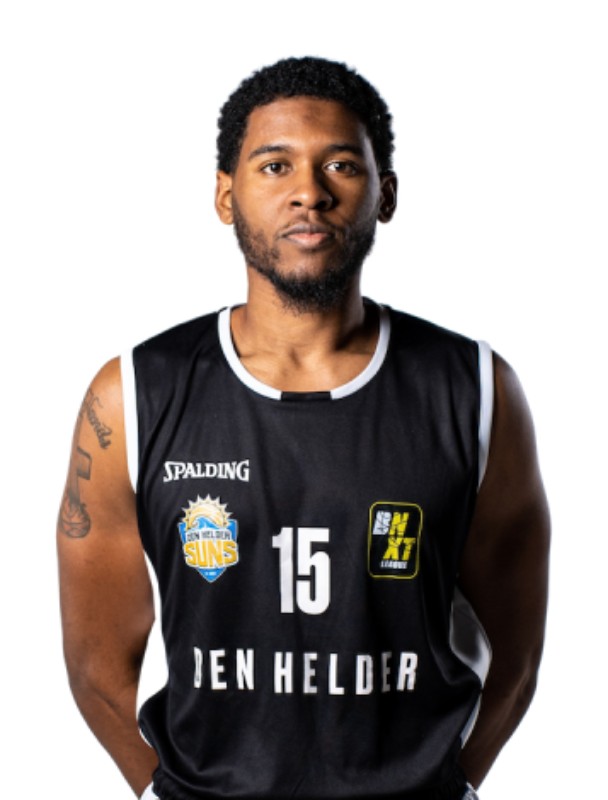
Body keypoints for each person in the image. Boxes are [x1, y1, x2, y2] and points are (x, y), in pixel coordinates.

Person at [57, 56, 550, 800]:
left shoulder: (476, 389)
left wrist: (451, 785)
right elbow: (97, 665)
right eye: (274, 165)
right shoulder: (133, 393)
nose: (309, 193)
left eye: (341, 165)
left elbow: (515, 661)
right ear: (225, 195)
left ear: (385, 194)